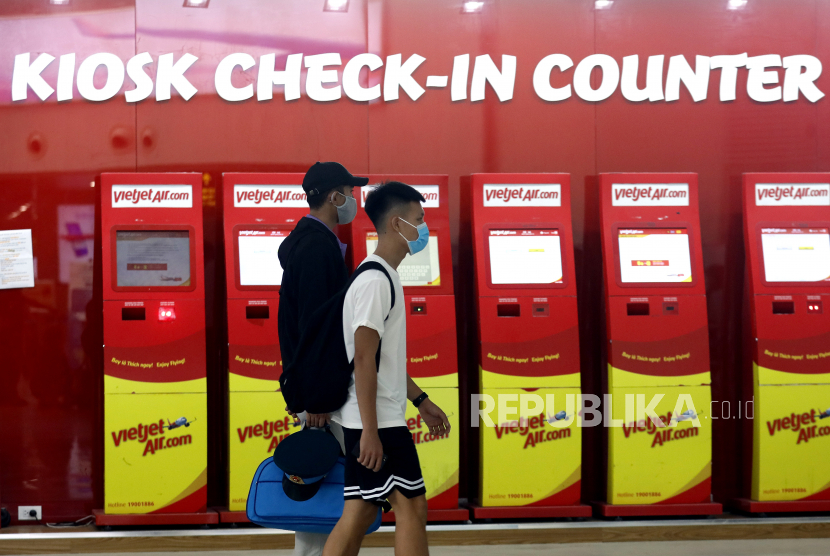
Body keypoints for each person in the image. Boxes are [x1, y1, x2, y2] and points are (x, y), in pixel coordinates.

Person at [323, 182, 451, 556]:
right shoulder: (375, 280)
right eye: (419, 219)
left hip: (375, 417)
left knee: (360, 512)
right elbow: (362, 359)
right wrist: (371, 433)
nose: (424, 227)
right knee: (411, 507)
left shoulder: (384, 276)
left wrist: (420, 400)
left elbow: (383, 359)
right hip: (376, 422)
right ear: (397, 224)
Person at [277, 161, 368, 556]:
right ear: (333, 197)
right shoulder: (316, 248)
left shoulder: (315, 242)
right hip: (320, 398)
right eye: (349, 192)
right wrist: (316, 400)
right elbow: (316, 330)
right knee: (321, 506)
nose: (353, 200)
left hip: (318, 390)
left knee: (323, 502)